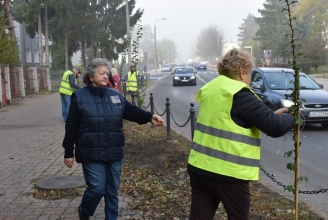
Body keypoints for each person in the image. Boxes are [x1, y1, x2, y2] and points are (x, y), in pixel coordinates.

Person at [187, 49, 294, 220]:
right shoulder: (239, 93)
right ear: (243, 72)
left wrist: (270, 115)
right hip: (229, 175)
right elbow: (275, 128)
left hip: (200, 169)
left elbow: (230, 117)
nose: (250, 78)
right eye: (250, 73)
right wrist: (293, 117)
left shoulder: (211, 88)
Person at [62, 58, 164, 220]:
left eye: (107, 73)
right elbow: (71, 126)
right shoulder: (79, 97)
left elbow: (131, 111)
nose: (105, 76)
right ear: (90, 76)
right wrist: (68, 152)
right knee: (97, 188)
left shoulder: (115, 96)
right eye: (101, 73)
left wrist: (149, 116)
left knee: (112, 190)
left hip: (114, 151)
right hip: (91, 152)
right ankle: (85, 209)